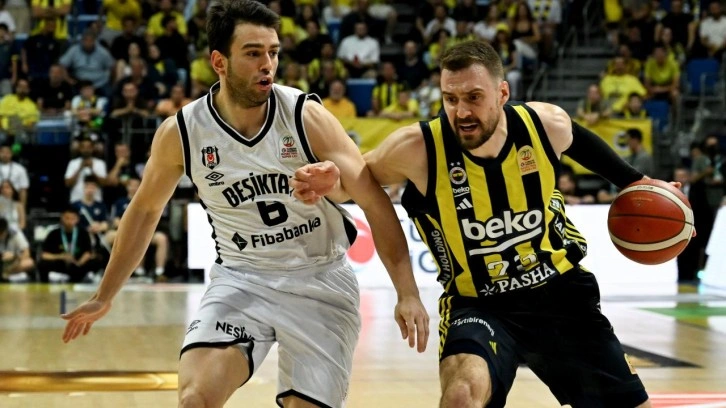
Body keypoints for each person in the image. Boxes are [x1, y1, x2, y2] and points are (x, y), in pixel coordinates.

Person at [60, 2, 428, 408]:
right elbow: (145, 210)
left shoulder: (305, 116)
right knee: (195, 400)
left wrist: (407, 291)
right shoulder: (182, 132)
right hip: (241, 279)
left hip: (319, 279)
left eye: (273, 52)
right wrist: (106, 293)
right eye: (253, 53)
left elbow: (373, 200)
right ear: (219, 62)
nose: (267, 64)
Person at [294, 40, 682, 407]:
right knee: (462, 396)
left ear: (502, 93)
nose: (462, 112)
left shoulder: (545, 125)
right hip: (479, 303)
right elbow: (358, 184)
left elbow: (584, 145)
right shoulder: (417, 148)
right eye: (451, 99)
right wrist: (335, 184)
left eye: (474, 97)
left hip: (560, 293)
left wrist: (643, 184)